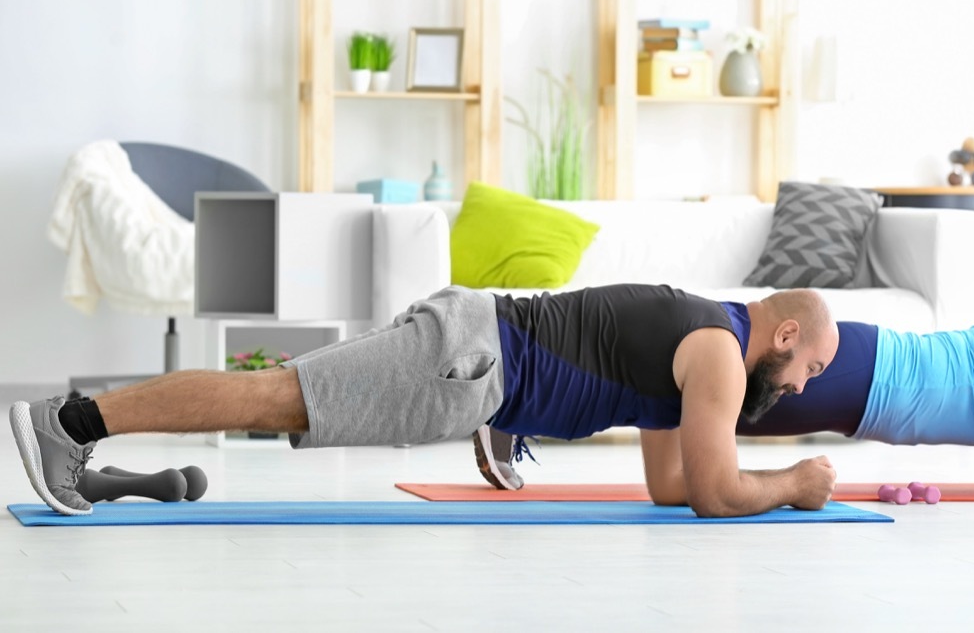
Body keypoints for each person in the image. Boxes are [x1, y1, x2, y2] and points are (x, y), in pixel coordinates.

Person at [9, 283, 841, 517]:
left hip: (478, 356)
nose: (805, 386)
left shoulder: (705, 340)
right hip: (473, 361)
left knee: (278, 399)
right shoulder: (723, 357)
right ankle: (66, 422)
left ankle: (503, 424)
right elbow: (715, 495)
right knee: (272, 399)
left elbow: (672, 484)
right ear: (786, 335)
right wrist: (797, 483)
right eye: (811, 368)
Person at [478, 273, 974, 499]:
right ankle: (517, 399)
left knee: (692, 420)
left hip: (865, 389)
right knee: (708, 396)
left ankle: (521, 403)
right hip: (867, 377)